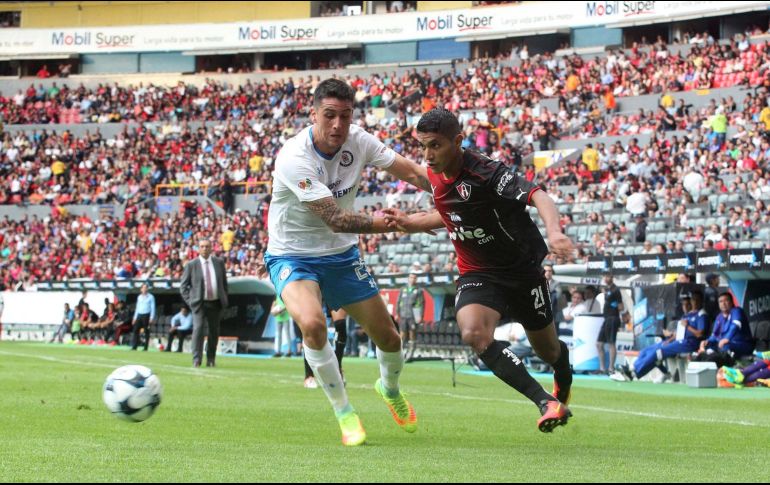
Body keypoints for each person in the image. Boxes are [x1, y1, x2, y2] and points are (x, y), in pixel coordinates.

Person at [257, 78, 428, 446]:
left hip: (340, 255)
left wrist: (455, 194)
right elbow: (334, 218)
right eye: (329, 116)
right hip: (292, 254)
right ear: (313, 114)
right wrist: (388, 224)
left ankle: (389, 387)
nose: (338, 125)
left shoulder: (359, 141)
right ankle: (344, 411)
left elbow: (413, 173)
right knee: (313, 325)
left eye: (345, 116)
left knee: (389, 337)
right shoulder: (293, 157)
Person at [383, 108, 574, 433]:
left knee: (550, 350)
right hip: (478, 273)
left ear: (457, 141)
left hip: (523, 272)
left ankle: (562, 375)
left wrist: (555, 232)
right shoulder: (434, 174)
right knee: (473, 333)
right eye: (423, 146)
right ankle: (545, 402)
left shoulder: (487, 173)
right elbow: (451, 212)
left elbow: (538, 195)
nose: (428, 155)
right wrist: (410, 223)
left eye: (435, 146)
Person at [612, 291, 707, 382]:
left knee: (658, 353)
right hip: (677, 341)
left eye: (695, 299)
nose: (693, 302)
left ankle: (633, 373)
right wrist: (671, 338)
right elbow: (681, 332)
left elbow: (700, 334)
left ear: (700, 300)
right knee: (646, 351)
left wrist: (687, 326)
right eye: (692, 299)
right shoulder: (688, 315)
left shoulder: (701, 314)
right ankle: (632, 369)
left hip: (688, 344)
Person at [181, 238, 229, 368]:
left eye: (207, 246)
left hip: (215, 303)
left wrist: (224, 297)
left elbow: (224, 284)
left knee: (214, 332)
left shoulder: (219, 263)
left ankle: (211, 359)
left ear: (211, 248)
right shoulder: (192, 265)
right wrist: (190, 301)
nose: (204, 249)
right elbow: (183, 287)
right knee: (198, 330)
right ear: (198, 248)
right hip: (199, 304)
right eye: (202, 246)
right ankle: (196, 359)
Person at [693, 292, 754, 367]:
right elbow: (715, 335)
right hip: (725, 345)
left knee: (725, 346)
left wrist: (727, 338)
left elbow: (736, 325)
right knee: (708, 347)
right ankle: (708, 361)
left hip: (742, 344)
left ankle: (725, 367)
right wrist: (706, 342)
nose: (723, 303)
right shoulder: (719, 317)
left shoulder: (737, 311)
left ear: (731, 302)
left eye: (726, 300)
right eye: (720, 301)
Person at [303, 307, 348, 389]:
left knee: (341, 325)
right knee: (312, 325)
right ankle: (309, 376)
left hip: (335, 293)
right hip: (317, 294)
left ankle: (338, 370)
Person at [597, 274, 624, 374]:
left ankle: (611, 368)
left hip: (612, 318)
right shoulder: (607, 290)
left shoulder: (615, 290)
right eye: (605, 276)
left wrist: (613, 305)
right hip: (606, 318)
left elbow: (621, 306)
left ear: (612, 277)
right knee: (599, 344)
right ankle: (602, 368)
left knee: (611, 343)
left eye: (608, 276)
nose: (605, 278)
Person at [395, 272, 424, 350]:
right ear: (408, 278)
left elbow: (421, 304)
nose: (412, 279)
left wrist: (420, 316)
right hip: (403, 315)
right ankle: (400, 351)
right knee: (402, 333)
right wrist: (397, 314)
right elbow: (398, 302)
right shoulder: (403, 289)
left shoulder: (419, 290)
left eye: (414, 278)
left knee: (412, 333)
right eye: (411, 277)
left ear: (416, 279)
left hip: (413, 316)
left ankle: (411, 352)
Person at [131, 284, 156, 351]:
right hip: (139, 315)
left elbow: (153, 307)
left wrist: (151, 317)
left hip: (146, 315)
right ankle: (134, 346)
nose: (145, 289)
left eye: (146, 288)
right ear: (141, 289)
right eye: (143, 288)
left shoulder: (151, 297)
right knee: (136, 330)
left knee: (146, 331)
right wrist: (134, 317)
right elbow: (137, 307)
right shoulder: (139, 297)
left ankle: (145, 347)